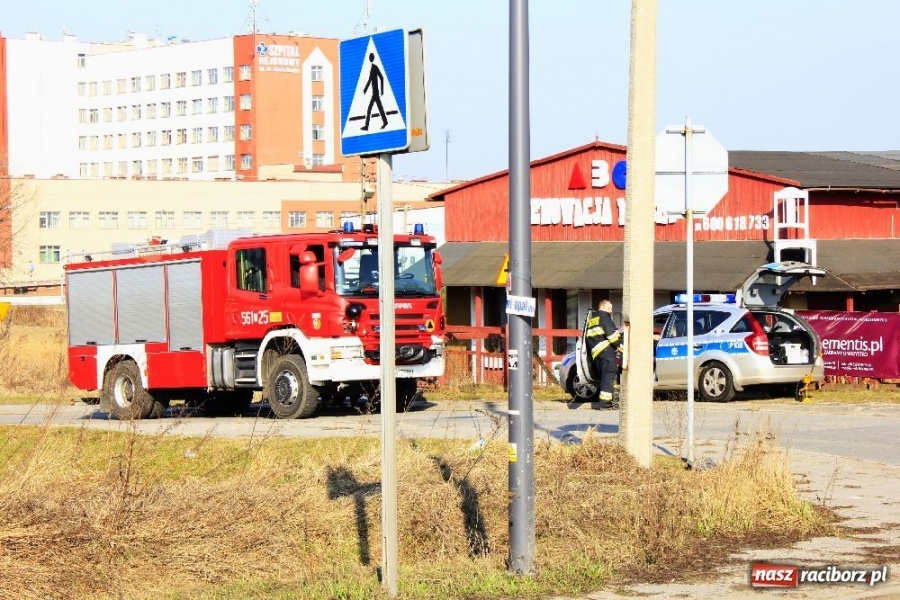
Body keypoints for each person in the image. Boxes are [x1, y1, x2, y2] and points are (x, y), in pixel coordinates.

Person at [584, 299, 622, 405]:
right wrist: (619, 346)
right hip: (606, 352)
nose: (611, 311)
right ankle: (605, 403)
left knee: (605, 377)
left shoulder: (592, 320)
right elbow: (612, 336)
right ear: (603, 307)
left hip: (596, 353)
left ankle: (611, 399)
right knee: (609, 375)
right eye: (609, 308)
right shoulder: (605, 317)